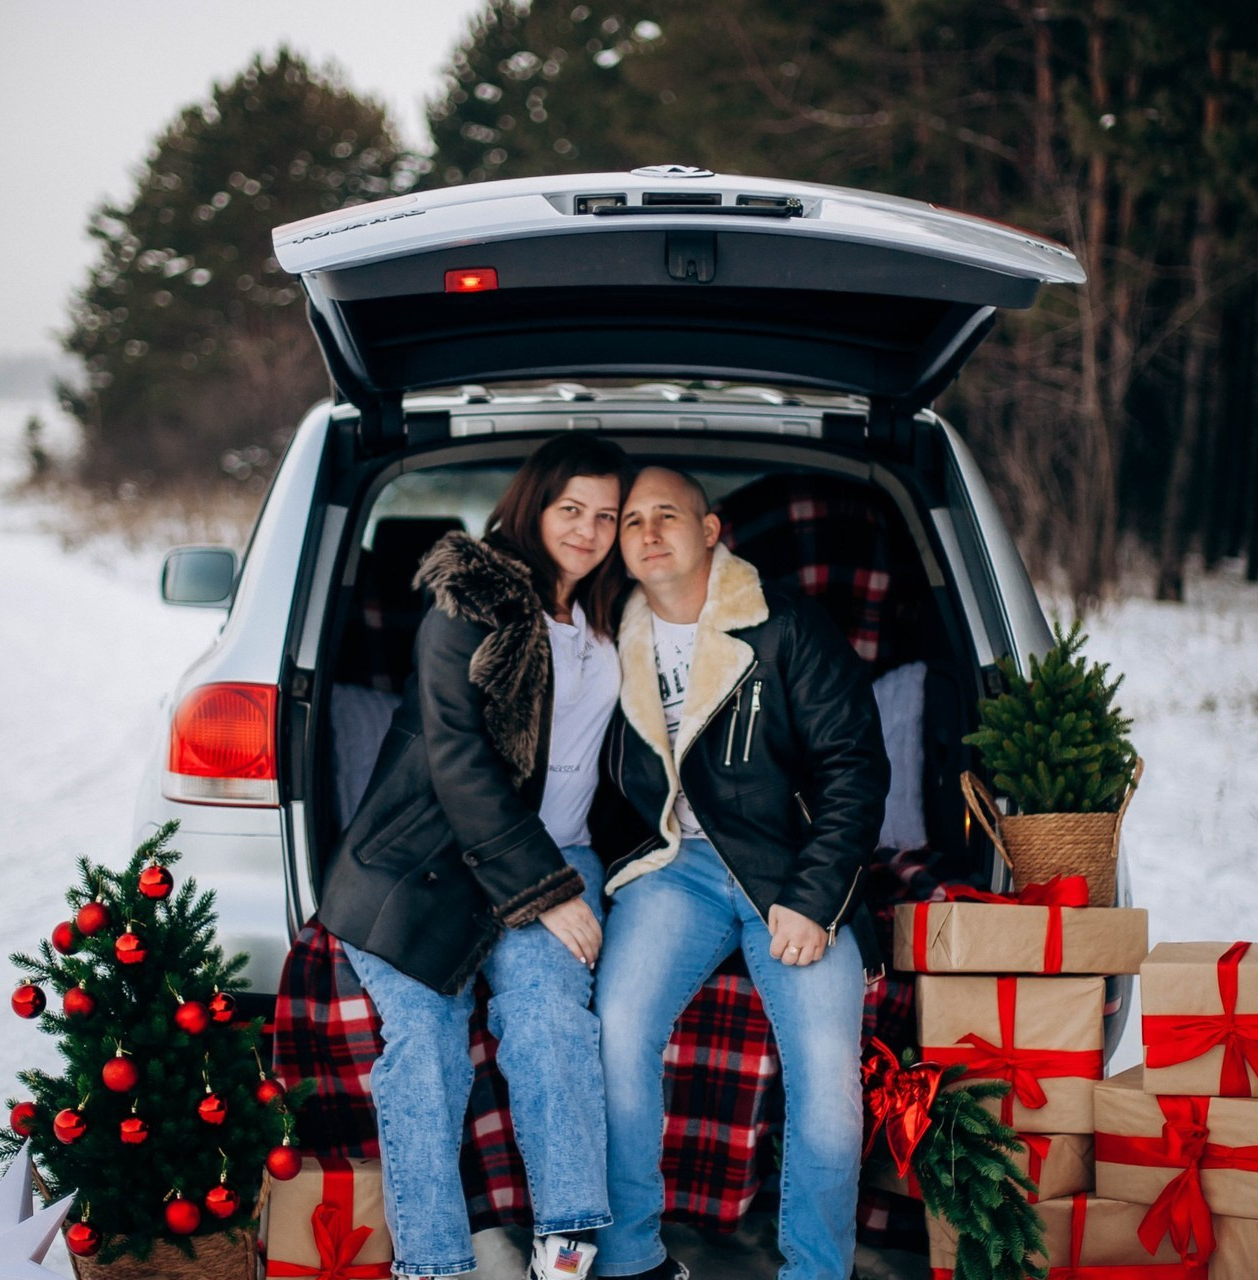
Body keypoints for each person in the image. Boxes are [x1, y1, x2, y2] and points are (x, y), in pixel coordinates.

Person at [317, 433, 636, 1280]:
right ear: (533, 504)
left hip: (558, 855)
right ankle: (433, 1266)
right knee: (422, 1042)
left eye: (606, 514)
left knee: (549, 1024)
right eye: (571, 508)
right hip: (425, 863)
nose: (588, 529)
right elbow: (461, 764)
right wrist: (547, 891)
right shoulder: (475, 606)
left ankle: (566, 1249)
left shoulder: (617, 609)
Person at [591, 467, 891, 1280]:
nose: (648, 533)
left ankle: (815, 1271)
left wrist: (815, 898)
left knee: (827, 1069)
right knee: (617, 1030)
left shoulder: (784, 627)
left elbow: (854, 768)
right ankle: (629, 1260)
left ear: (712, 529)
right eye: (632, 523)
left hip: (787, 873)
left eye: (669, 516)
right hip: (672, 868)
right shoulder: (605, 640)